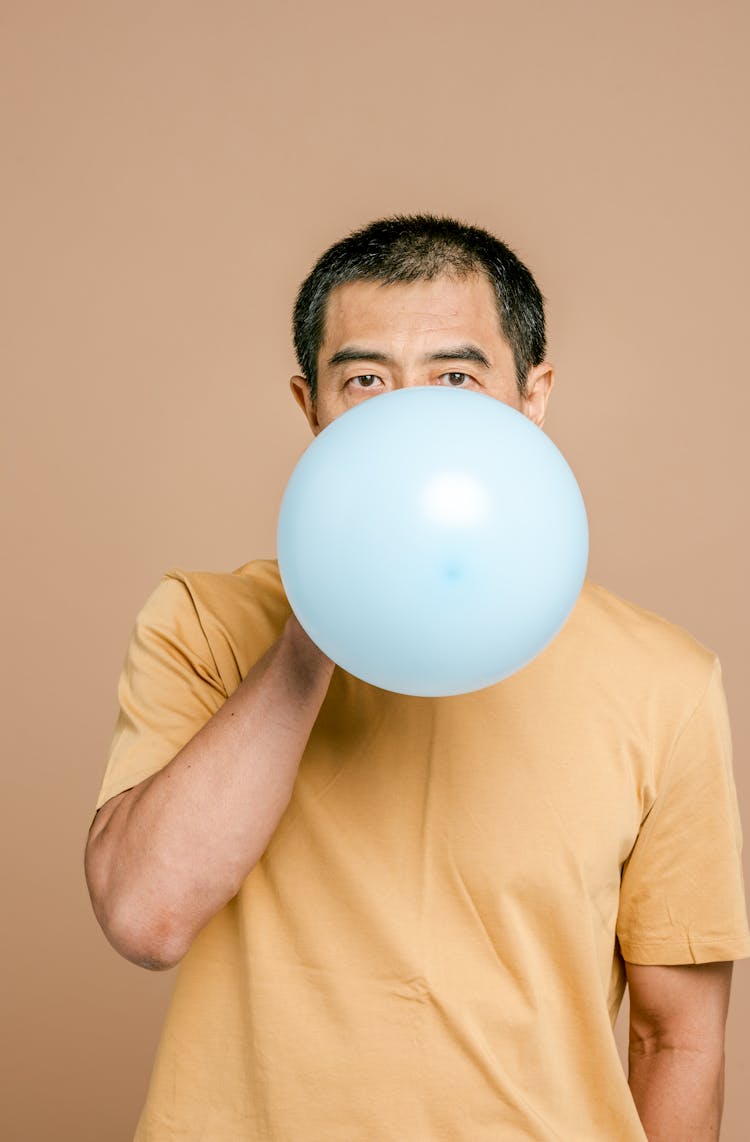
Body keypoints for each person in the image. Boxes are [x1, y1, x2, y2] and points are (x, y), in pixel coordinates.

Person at [85, 214, 750, 1141]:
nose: (409, 419)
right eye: (364, 381)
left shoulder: (663, 681)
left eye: (454, 378)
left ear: (532, 398)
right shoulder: (205, 623)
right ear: (309, 406)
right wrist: (323, 618)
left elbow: (679, 1039)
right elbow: (146, 918)